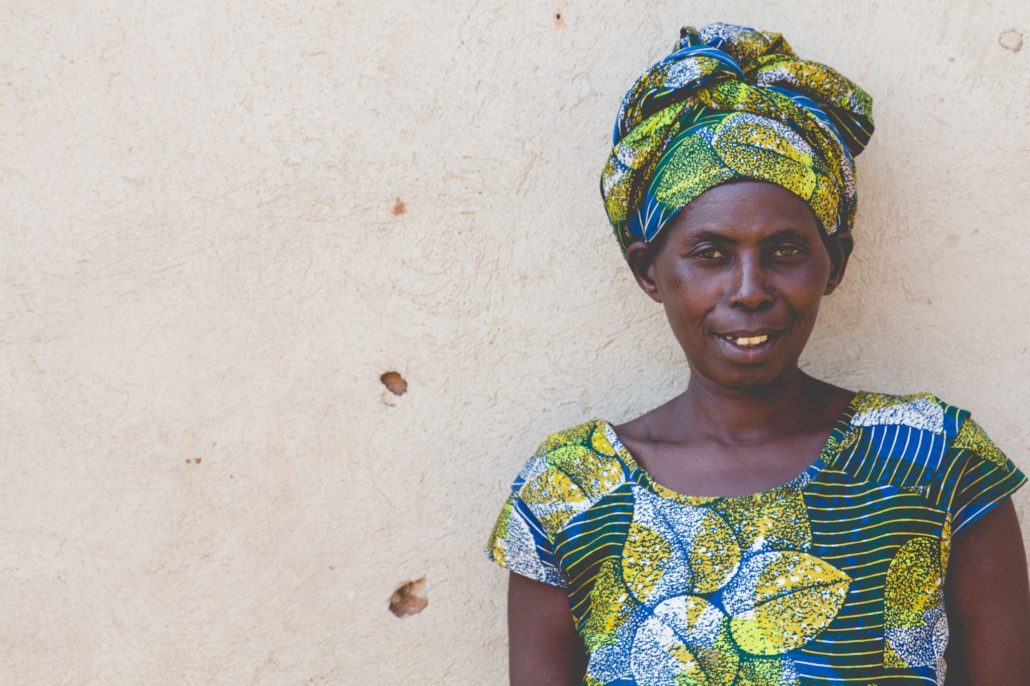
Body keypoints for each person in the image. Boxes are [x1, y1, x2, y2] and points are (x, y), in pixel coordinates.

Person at [483, 22, 1030, 685]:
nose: (748, 290)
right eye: (711, 254)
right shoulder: (571, 492)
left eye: (785, 251)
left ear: (835, 263)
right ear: (649, 270)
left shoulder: (936, 461)